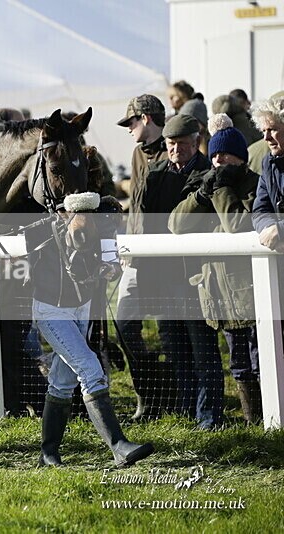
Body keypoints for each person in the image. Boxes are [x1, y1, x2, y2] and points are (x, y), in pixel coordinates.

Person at [27, 189, 153, 467]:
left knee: (63, 381)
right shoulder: (44, 226)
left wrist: (109, 268)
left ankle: (48, 454)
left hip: (81, 308)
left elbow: (106, 265)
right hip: (51, 311)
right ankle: (118, 445)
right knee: (89, 367)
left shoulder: (100, 225)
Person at [169, 114, 261, 423]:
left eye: (225, 154)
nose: (219, 159)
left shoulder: (252, 185)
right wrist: (201, 194)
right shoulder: (209, 183)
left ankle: (270, 422)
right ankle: (252, 422)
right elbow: (175, 224)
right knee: (238, 362)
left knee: (259, 358)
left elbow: (237, 226)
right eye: (215, 154)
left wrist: (221, 190)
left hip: (250, 290)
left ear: (241, 156)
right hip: (219, 292)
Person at [139, 114, 224, 430]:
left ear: (196, 142)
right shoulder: (156, 174)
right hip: (162, 274)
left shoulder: (207, 174)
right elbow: (146, 223)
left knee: (203, 348)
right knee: (175, 348)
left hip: (195, 275)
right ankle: (188, 411)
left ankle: (209, 416)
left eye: (181, 144)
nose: (175, 149)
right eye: (170, 144)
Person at [115, 94, 175, 420]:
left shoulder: (173, 152)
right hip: (135, 257)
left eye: (131, 122)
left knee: (169, 332)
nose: (128, 129)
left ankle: (173, 398)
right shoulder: (138, 154)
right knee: (124, 324)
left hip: (167, 260)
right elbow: (136, 206)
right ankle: (149, 392)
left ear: (146, 119)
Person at [251, 95, 284, 253]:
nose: (266, 137)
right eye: (263, 131)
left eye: (272, 129)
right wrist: (269, 229)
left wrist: (280, 231)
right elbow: (259, 210)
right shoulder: (268, 163)